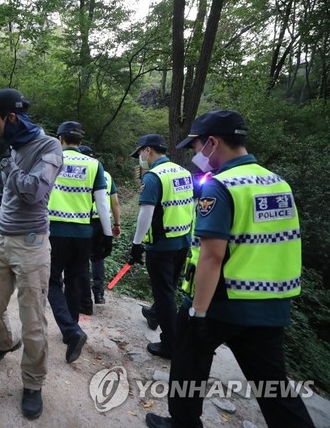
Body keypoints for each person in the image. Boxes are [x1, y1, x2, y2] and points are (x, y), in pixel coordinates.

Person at [145, 110, 315, 428]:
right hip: (270, 306)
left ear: (212, 143)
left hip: (221, 302)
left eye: (196, 148)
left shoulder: (221, 187)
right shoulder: (278, 183)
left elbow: (212, 256)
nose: (196, 156)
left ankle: (183, 423)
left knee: (189, 361)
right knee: (275, 389)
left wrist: (197, 312)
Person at [0, 88, 63, 419]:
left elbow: (35, 193)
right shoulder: (9, 148)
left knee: (33, 322)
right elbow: (2, 195)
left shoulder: (49, 146)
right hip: (1, 238)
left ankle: (32, 383)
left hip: (32, 243)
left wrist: (8, 162)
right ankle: (5, 343)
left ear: (10, 118)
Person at [46, 122, 113, 360]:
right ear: (80, 142)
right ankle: (71, 330)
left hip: (54, 232)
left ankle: (71, 330)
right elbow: (102, 203)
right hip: (83, 234)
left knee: (52, 281)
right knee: (75, 280)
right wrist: (107, 233)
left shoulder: (51, 160)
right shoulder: (95, 165)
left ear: (60, 138)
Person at [129, 134, 194, 359]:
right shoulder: (184, 172)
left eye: (139, 154)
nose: (139, 159)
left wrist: (136, 244)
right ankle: (154, 313)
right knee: (169, 286)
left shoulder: (154, 177)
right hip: (183, 239)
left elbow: (146, 213)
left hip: (161, 244)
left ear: (148, 150)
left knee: (164, 291)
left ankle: (171, 343)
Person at [78, 145, 121, 310]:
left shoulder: (82, 171)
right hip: (103, 222)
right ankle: (99, 294)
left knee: (81, 259)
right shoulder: (107, 175)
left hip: (84, 220)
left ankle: (83, 297)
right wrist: (116, 224)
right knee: (97, 258)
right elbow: (114, 202)